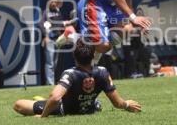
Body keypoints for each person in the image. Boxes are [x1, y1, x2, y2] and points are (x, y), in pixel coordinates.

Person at [13, 38, 141, 116]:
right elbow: (118, 103)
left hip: (63, 109)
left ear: (74, 56)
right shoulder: (103, 72)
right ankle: (94, 103)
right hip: (88, 109)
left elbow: (55, 97)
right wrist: (127, 105)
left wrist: (43, 116)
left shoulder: (70, 74)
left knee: (18, 104)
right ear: (93, 56)